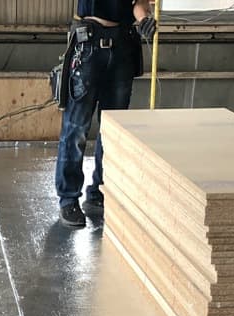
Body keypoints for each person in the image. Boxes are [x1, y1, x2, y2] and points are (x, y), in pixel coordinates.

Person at [55, 1, 156, 228]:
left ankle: (99, 192)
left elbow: (138, 3)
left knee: (112, 130)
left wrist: (144, 19)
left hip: (122, 47)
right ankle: (68, 199)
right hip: (88, 45)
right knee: (76, 127)